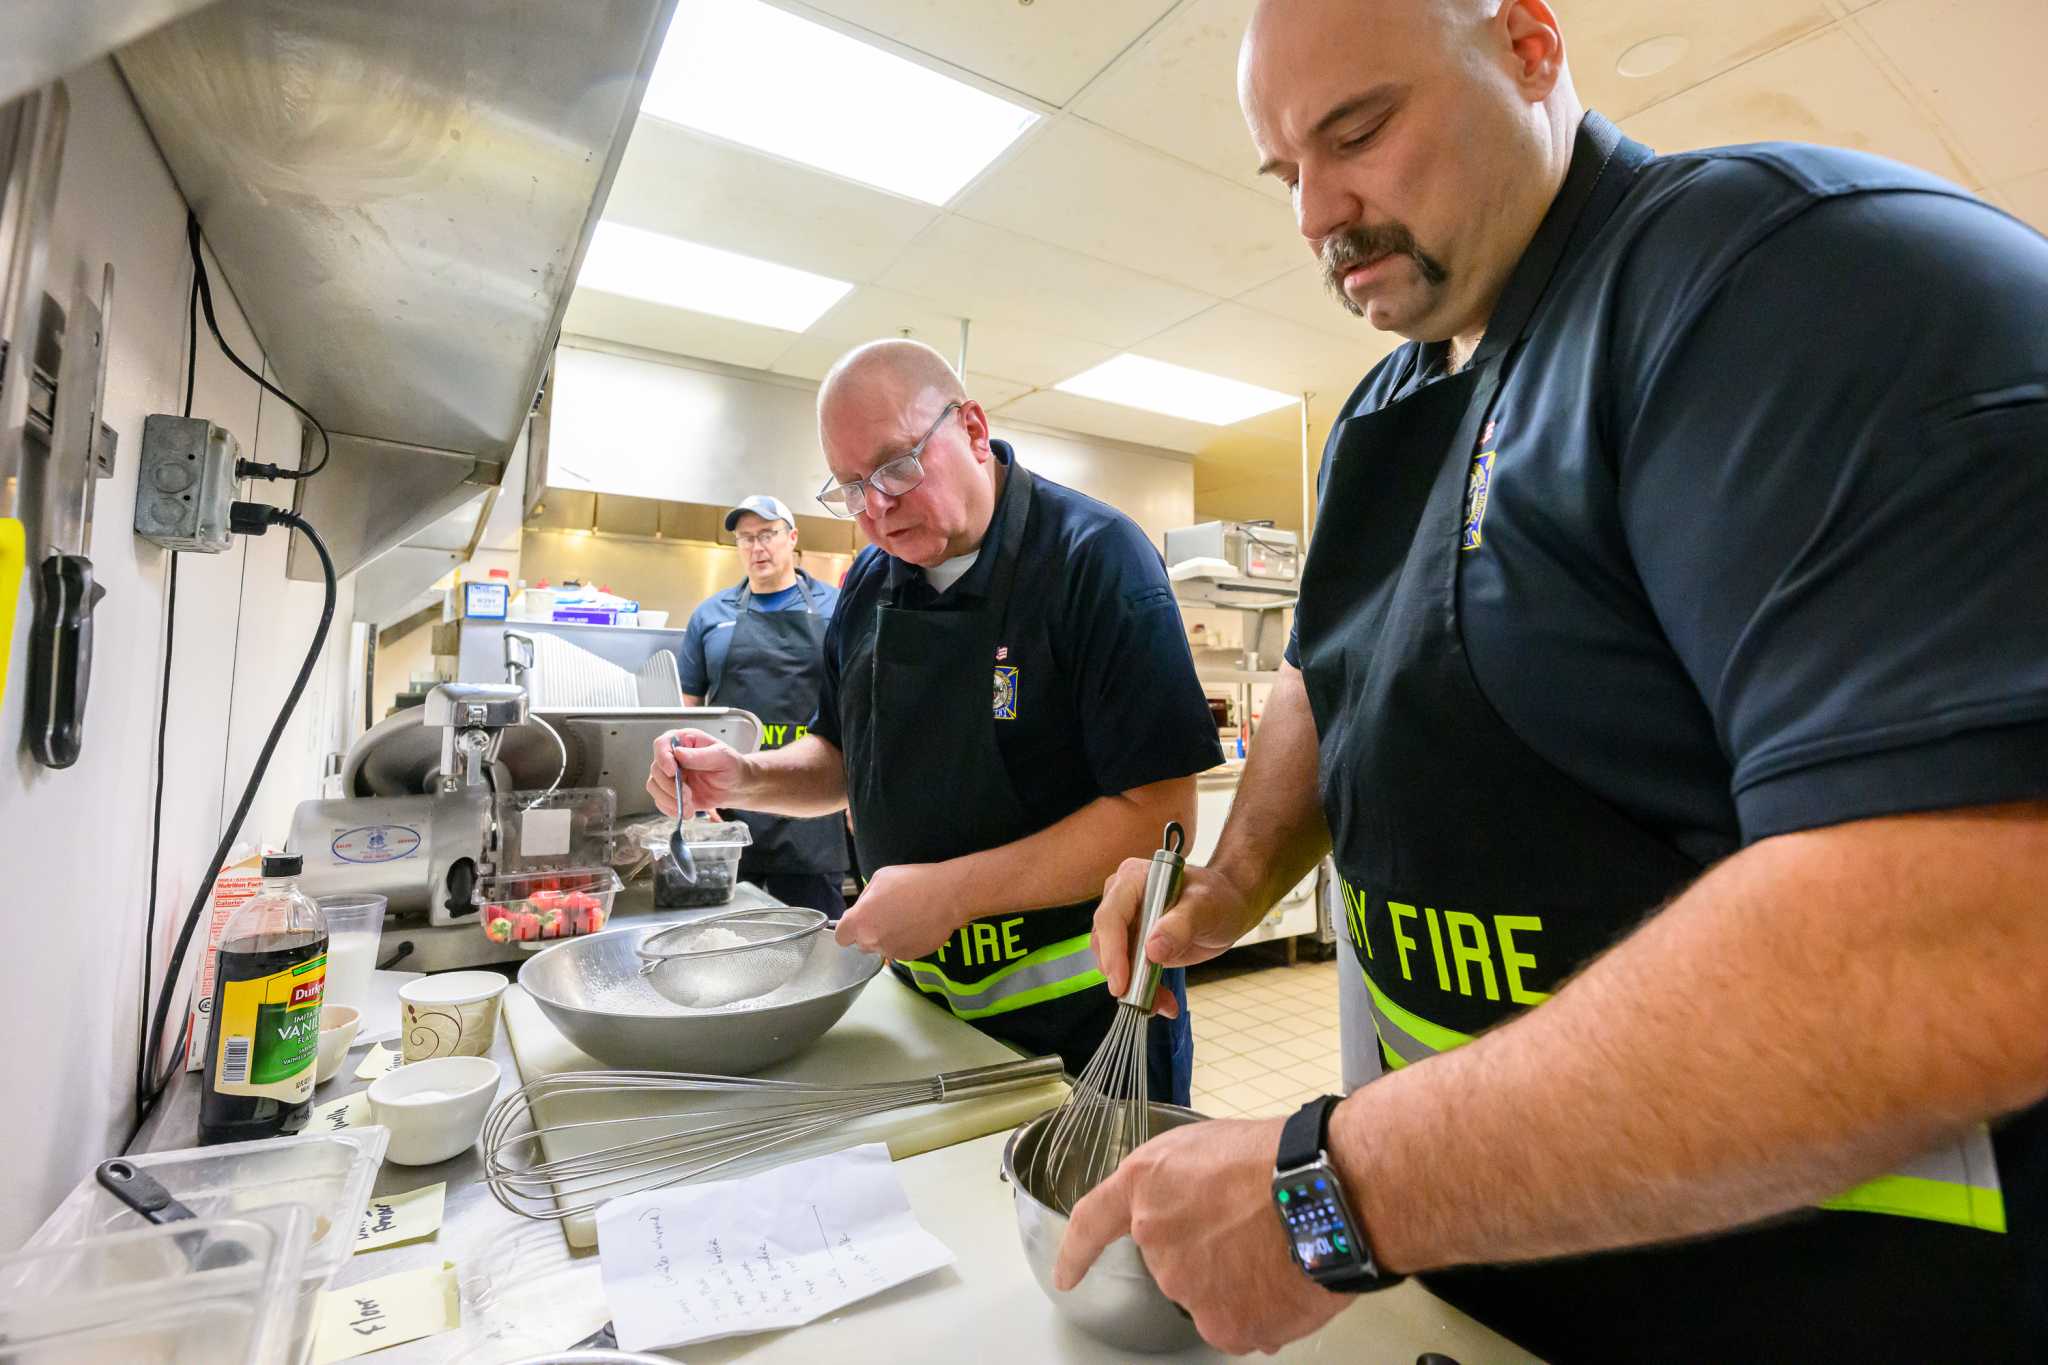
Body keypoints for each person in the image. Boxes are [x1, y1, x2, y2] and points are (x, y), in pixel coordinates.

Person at [1055, 0, 2048, 1358]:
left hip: (1806, 1298)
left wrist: (1338, 1192)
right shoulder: (1383, 417)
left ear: (1529, 43)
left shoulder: (1785, 287)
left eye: (1359, 131)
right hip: (1501, 1288)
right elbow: (1334, 675)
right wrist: (1231, 886)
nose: (1317, 214)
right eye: (1288, 174)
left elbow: (1979, 921)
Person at [649, 340, 1220, 1101]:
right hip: (926, 1020)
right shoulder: (868, 587)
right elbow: (846, 758)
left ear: (975, 431)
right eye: (852, 488)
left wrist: (951, 895)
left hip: (1088, 1032)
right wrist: (748, 775)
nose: (877, 507)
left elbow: (1159, 817)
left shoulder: (1096, 560)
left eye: (896, 467)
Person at [676, 494, 848, 918]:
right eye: (746, 538)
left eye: (767, 534)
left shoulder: (835, 608)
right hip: (730, 809)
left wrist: (857, 796)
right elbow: (686, 710)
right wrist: (694, 796)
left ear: (792, 538)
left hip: (812, 795)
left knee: (814, 937)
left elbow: (858, 702)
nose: (757, 547)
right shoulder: (710, 616)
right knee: (727, 935)